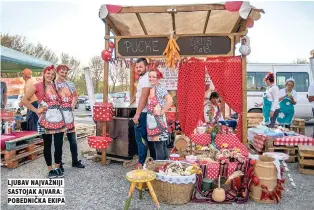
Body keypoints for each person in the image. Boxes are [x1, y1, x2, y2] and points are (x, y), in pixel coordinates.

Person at [21, 65, 66, 178]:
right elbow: (24, 100)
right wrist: (36, 110)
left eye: (52, 74)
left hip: (59, 119)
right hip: (46, 119)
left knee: (59, 145)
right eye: (48, 73)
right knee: (47, 145)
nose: (50, 76)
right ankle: (50, 169)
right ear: (44, 73)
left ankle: (57, 167)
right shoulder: (37, 86)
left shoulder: (56, 86)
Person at [55, 64, 85, 170]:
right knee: (58, 141)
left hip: (69, 115)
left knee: (72, 140)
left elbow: (76, 95)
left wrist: (72, 105)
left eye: (66, 72)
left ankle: (75, 161)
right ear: (57, 72)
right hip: (58, 116)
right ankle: (58, 164)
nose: (64, 74)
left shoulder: (70, 84)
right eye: (62, 72)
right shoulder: (53, 85)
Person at [133, 58, 156, 166]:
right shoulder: (144, 78)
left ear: (146, 67)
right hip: (147, 112)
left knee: (141, 139)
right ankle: (152, 163)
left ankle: (141, 164)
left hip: (144, 113)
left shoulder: (146, 78)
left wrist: (137, 114)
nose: (138, 69)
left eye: (140, 67)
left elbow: (144, 96)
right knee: (149, 138)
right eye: (137, 67)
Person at [146, 68, 173, 160]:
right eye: (150, 76)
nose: (151, 78)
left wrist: (162, 111)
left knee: (158, 146)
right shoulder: (152, 88)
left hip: (158, 122)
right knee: (161, 146)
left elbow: (170, 100)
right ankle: (165, 167)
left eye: (154, 77)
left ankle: (159, 168)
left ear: (158, 78)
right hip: (152, 122)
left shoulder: (160, 88)